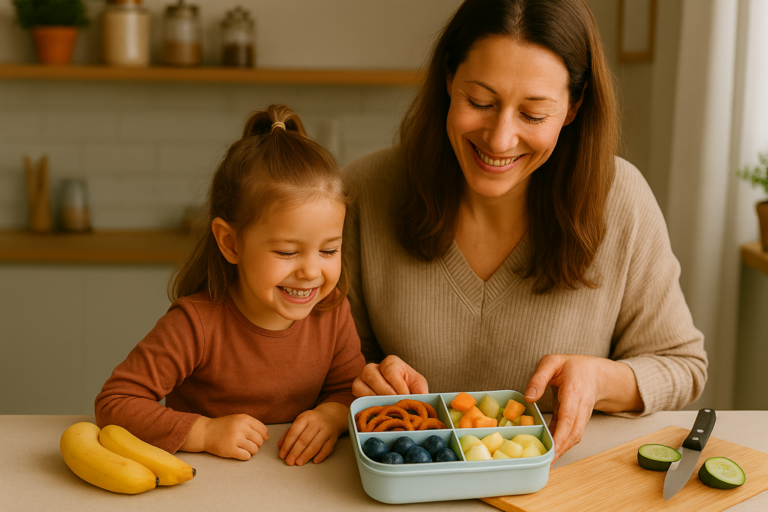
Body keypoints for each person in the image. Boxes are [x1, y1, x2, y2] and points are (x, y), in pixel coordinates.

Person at [344, 0, 707, 464]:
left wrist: (601, 380)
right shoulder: (365, 191)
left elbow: (682, 366)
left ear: (573, 107)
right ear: (448, 80)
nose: (499, 140)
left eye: (533, 115)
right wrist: (365, 377)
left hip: (561, 487)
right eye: (480, 102)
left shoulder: (622, 201)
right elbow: (331, 363)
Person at [96, 104, 365, 466]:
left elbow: (349, 389)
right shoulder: (194, 324)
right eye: (287, 252)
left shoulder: (332, 309)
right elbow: (115, 403)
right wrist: (204, 433)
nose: (311, 272)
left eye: (329, 249)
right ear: (230, 243)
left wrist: (332, 416)